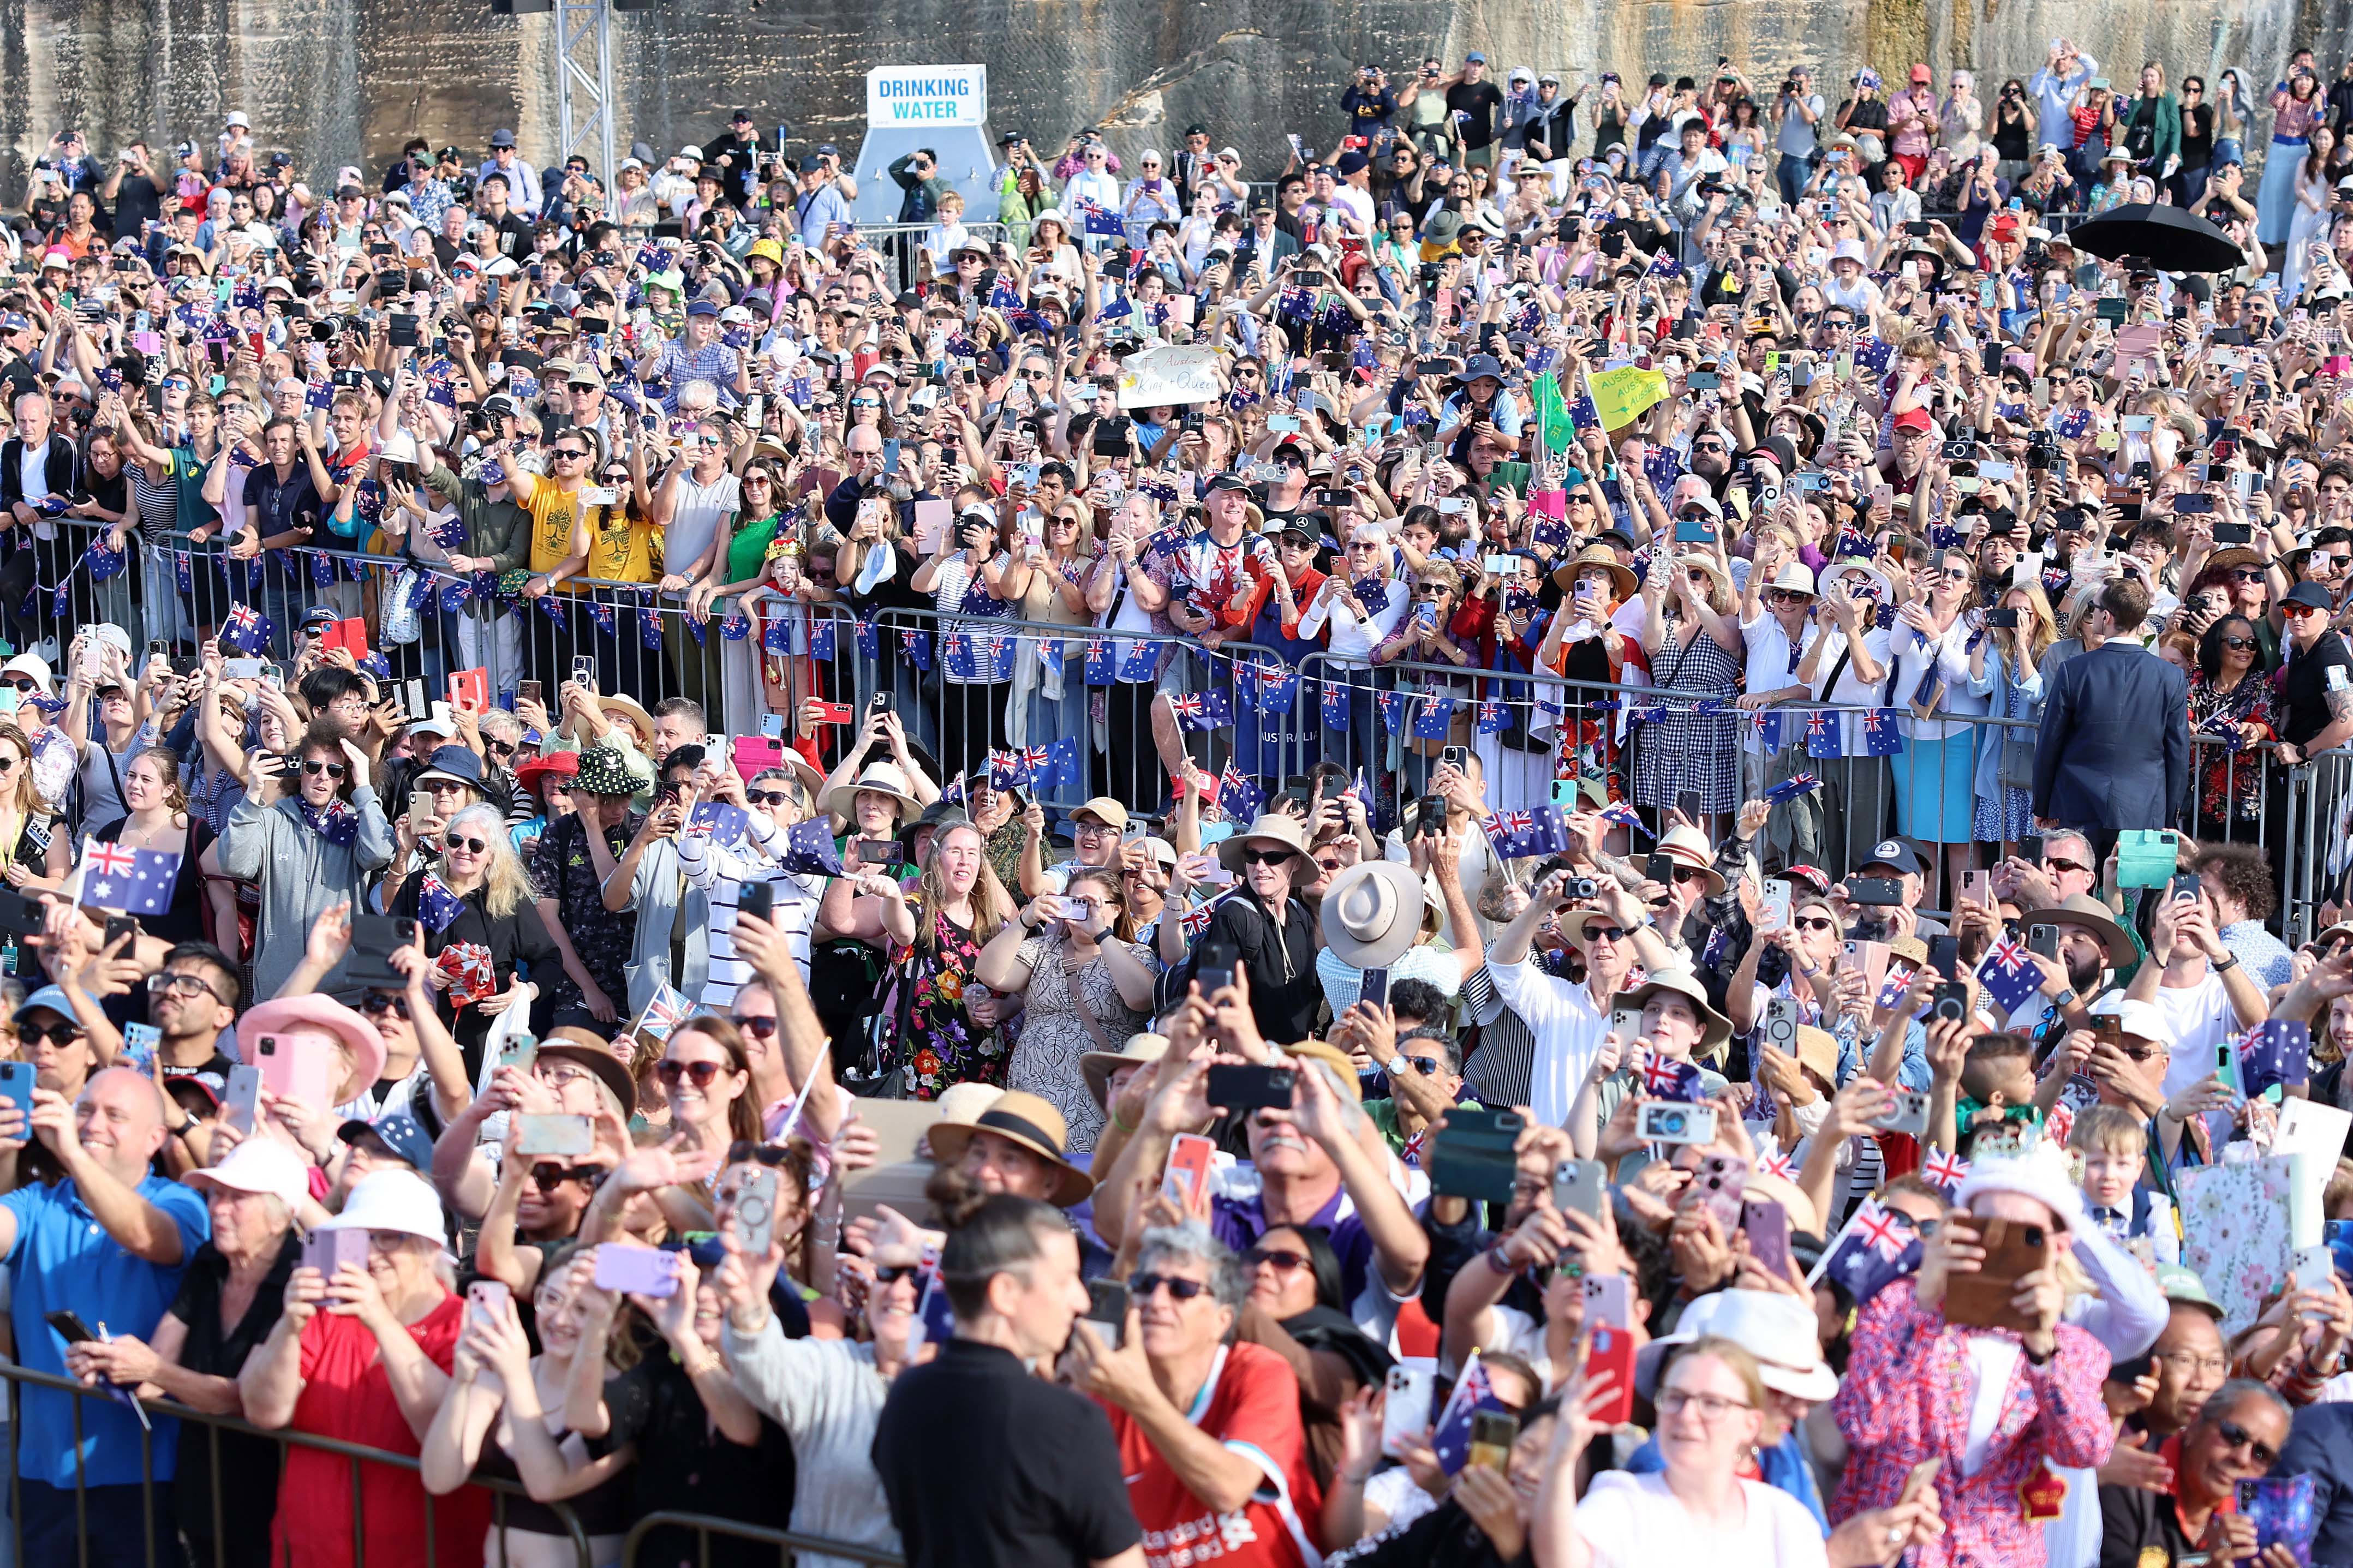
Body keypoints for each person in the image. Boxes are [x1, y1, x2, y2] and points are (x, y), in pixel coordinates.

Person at [61, 1136, 307, 1568]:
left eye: (237, 1198)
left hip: (273, 1500)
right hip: (201, 1494)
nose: (218, 1208)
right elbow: (157, 1367)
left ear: (279, 1215)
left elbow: (238, 1398)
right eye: (216, 1195)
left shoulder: (300, 1281)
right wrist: (110, 1365)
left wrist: (151, 1368)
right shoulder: (211, 1261)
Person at [0, 1067, 212, 1567]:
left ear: (155, 1139)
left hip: (146, 1476)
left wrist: (71, 1153)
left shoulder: (182, 1202)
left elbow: (146, 1237)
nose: (94, 1125)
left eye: (115, 1115)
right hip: (43, 1475)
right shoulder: (37, 1203)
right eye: (86, 1111)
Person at [872, 1193, 1145, 1568]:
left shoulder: (905, 1396)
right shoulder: (1068, 1424)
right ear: (1005, 1293)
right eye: (1066, 1280)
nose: (1081, 1300)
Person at [237, 1168, 492, 1568]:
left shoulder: (464, 1324)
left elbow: (440, 1431)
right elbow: (264, 1412)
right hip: (310, 1551)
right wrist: (289, 1325)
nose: (371, 1254)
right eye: (359, 1239)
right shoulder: (328, 1315)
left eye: (389, 1237)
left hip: (423, 1554)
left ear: (428, 1247)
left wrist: (380, 1321)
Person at [1065, 1223, 1323, 1568]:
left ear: (1223, 1320)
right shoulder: (1104, 1395)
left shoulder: (1259, 1372)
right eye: (1145, 1285)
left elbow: (1229, 1489)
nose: (1157, 1303)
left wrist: (1138, 1396)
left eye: (1182, 1290)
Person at [2032, 579, 2192, 862]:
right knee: (2129, 897)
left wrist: (2043, 804)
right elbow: (2178, 752)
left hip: (2077, 802)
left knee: (2077, 894)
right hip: (2143, 808)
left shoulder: (2074, 670)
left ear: (2106, 617)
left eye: (2094, 608)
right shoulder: (2170, 676)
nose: (2092, 613)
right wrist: (2170, 815)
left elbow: (2050, 741)